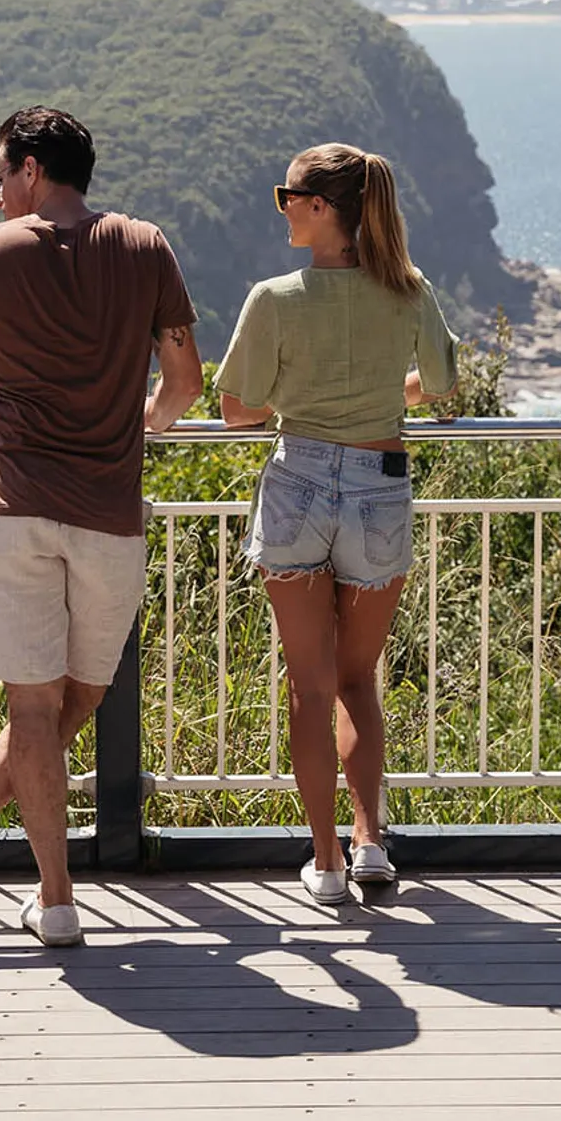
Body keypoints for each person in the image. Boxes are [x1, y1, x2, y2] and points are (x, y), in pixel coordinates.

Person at [0, 106, 202, 949]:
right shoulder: (145, 245)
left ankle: (32, 884)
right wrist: (138, 421)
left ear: (31, 168)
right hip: (108, 511)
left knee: (35, 707)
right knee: (84, 695)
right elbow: (185, 378)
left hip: (13, 505)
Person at [214, 143, 458, 905]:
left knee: (310, 687)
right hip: (379, 484)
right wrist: (386, 393)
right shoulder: (408, 290)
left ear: (321, 208)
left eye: (287, 196)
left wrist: (297, 398)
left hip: (297, 483)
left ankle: (325, 863)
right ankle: (370, 843)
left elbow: (236, 410)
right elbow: (442, 383)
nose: (282, 208)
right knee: (358, 679)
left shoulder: (274, 298)